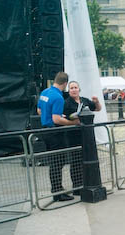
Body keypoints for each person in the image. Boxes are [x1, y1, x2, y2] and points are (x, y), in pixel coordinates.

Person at [36, 71, 78, 202]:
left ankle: (56, 190)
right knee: (57, 163)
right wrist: (72, 123)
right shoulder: (58, 97)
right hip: (55, 132)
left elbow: (39, 111)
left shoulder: (45, 92)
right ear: (65, 84)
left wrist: (51, 116)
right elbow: (56, 119)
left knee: (53, 163)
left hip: (45, 130)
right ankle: (57, 192)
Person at [62, 80, 102, 193]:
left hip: (87, 135)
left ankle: (88, 182)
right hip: (73, 136)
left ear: (79, 89)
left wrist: (97, 101)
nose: (74, 90)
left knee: (87, 159)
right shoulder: (66, 103)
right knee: (76, 162)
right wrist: (74, 120)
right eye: (71, 88)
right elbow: (63, 117)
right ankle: (77, 187)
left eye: (75, 87)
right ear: (68, 91)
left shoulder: (85, 101)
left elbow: (98, 108)